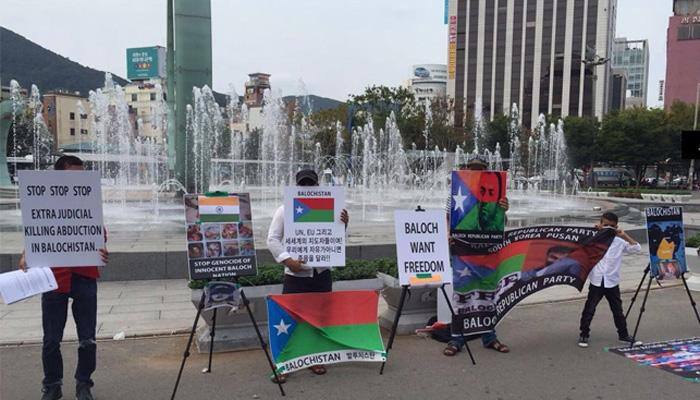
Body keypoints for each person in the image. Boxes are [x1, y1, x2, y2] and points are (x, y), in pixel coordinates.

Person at [18, 155, 109, 400]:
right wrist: (27, 254)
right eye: (72, 176)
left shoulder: (89, 204)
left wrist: (101, 250)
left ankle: (83, 384)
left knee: (87, 338)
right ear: (57, 177)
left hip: (85, 275)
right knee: (51, 340)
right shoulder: (43, 202)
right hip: (54, 278)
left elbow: (99, 236)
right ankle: (52, 385)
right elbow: (38, 233)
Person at [266, 169, 349, 383]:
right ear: (296, 186)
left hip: (321, 273)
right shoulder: (284, 209)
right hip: (295, 275)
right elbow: (272, 239)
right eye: (303, 185)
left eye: (310, 185)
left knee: (318, 318)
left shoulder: (331, 208)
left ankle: (314, 358)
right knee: (288, 320)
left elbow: (335, 239)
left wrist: (344, 224)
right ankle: (283, 363)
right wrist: (287, 260)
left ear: (317, 185)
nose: (307, 188)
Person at [444, 156, 510, 356]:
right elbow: (449, 216)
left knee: (489, 294)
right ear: (467, 169)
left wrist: (504, 209)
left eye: (480, 169)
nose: (476, 172)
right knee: (461, 295)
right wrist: (448, 235)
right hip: (464, 250)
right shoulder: (458, 190)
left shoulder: (497, 192)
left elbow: (500, 222)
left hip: (487, 251)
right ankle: (456, 338)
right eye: (473, 169)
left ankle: (489, 336)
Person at [578, 212, 641, 348]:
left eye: (611, 226)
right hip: (597, 280)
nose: (608, 228)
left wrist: (624, 235)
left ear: (616, 227)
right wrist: (595, 231)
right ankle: (584, 334)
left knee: (617, 310)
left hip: (612, 282)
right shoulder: (594, 239)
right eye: (605, 225)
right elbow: (579, 242)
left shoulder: (619, 242)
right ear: (600, 224)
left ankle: (623, 335)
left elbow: (636, 248)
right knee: (590, 308)